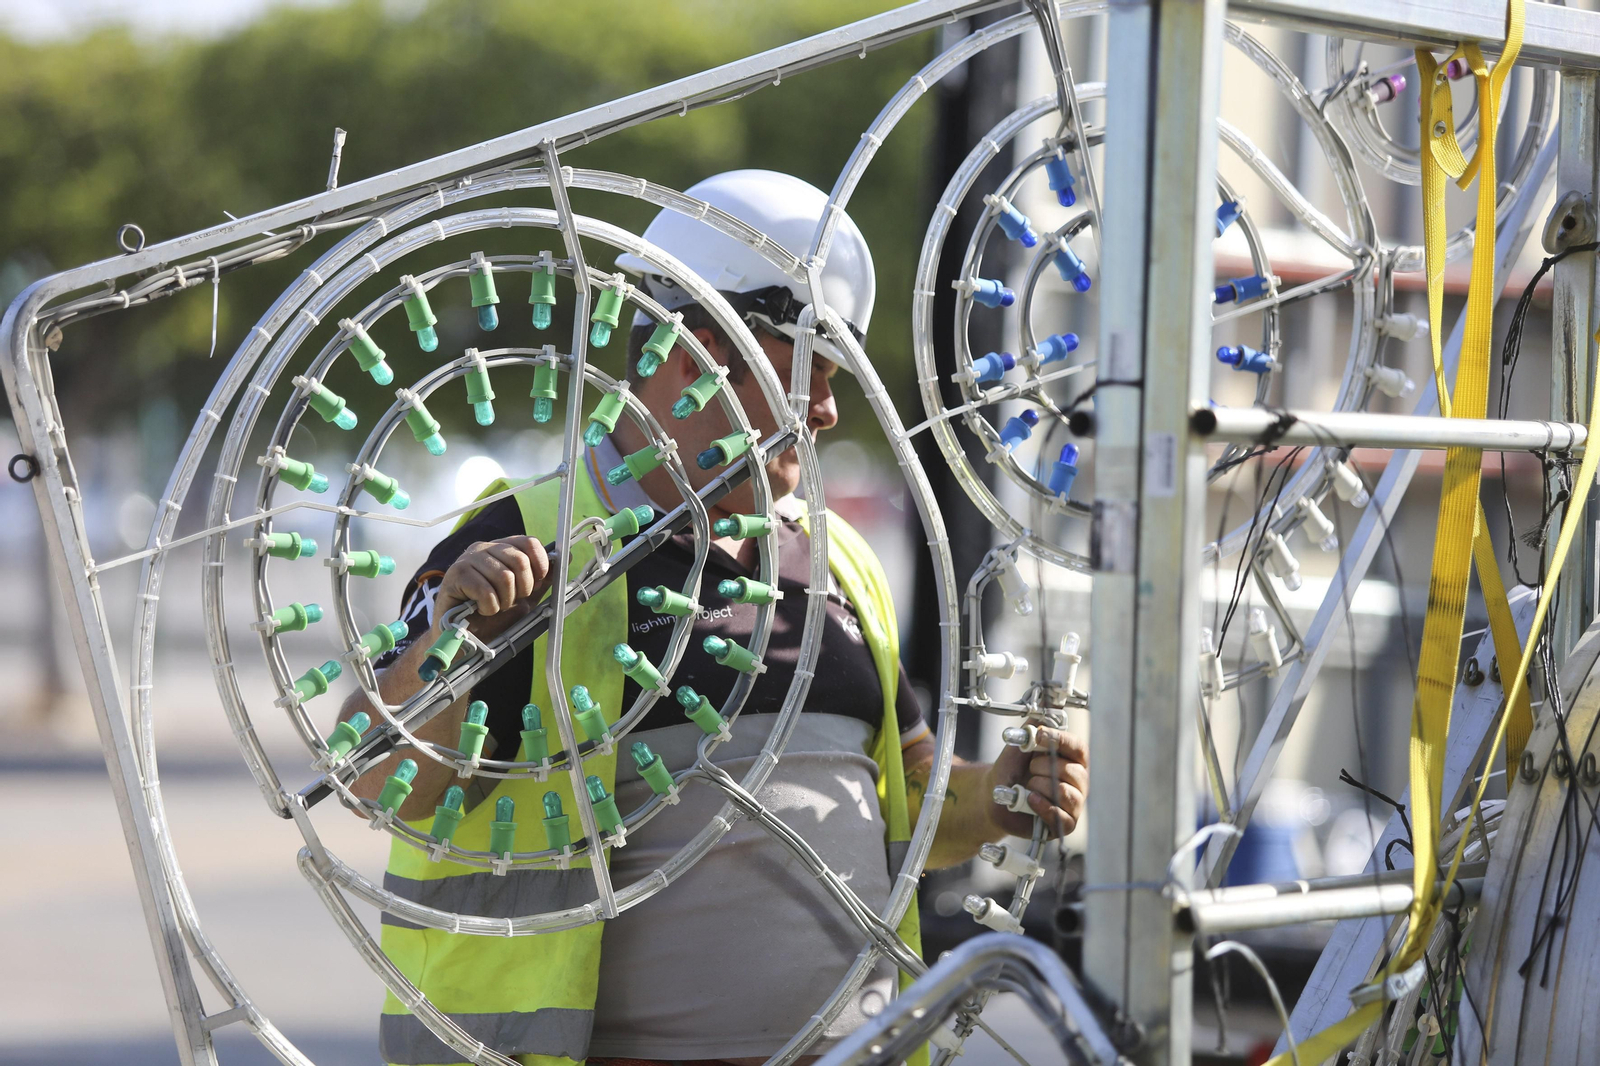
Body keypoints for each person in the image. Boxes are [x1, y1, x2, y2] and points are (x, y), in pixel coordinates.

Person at [340, 170, 1089, 1066]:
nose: (827, 410)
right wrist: (456, 636)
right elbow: (374, 780)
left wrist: (1001, 792)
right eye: (800, 375)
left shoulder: (837, 557)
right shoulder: (518, 544)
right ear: (695, 360)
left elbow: (908, 800)